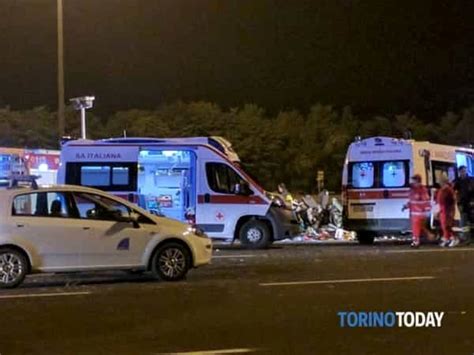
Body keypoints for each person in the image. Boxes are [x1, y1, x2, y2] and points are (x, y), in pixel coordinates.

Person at [402, 174, 434, 247]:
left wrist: (427, 211)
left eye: (414, 181)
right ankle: (426, 237)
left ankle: (417, 241)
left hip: (420, 213)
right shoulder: (412, 190)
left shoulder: (422, 190)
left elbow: (426, 201)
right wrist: (406, 206)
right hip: (414, 213)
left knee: (417, 228)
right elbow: (411, 201)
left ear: (418, 181)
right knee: (417, 228)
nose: (412, 182)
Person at [453, 166, 474, 244]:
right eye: (462, 171)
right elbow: (453, 190)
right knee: (464, 220)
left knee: (471, 219)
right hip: (462, 203)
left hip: (471, 202)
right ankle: (466, 236)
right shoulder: (457, 181)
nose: (463, 173)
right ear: (459, 172)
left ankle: (469, 236)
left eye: (464, 171)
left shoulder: (471, 180)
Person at [437, 173, 458, 247]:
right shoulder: (442, 189)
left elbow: (453, 200)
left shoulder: (448, 189)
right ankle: (447, 238)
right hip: (443, 209)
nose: (439, 182)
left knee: (448, 225)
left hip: (448, 209)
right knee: (444, 225)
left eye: (440, 181)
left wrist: (450, 211)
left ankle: (453, 238)